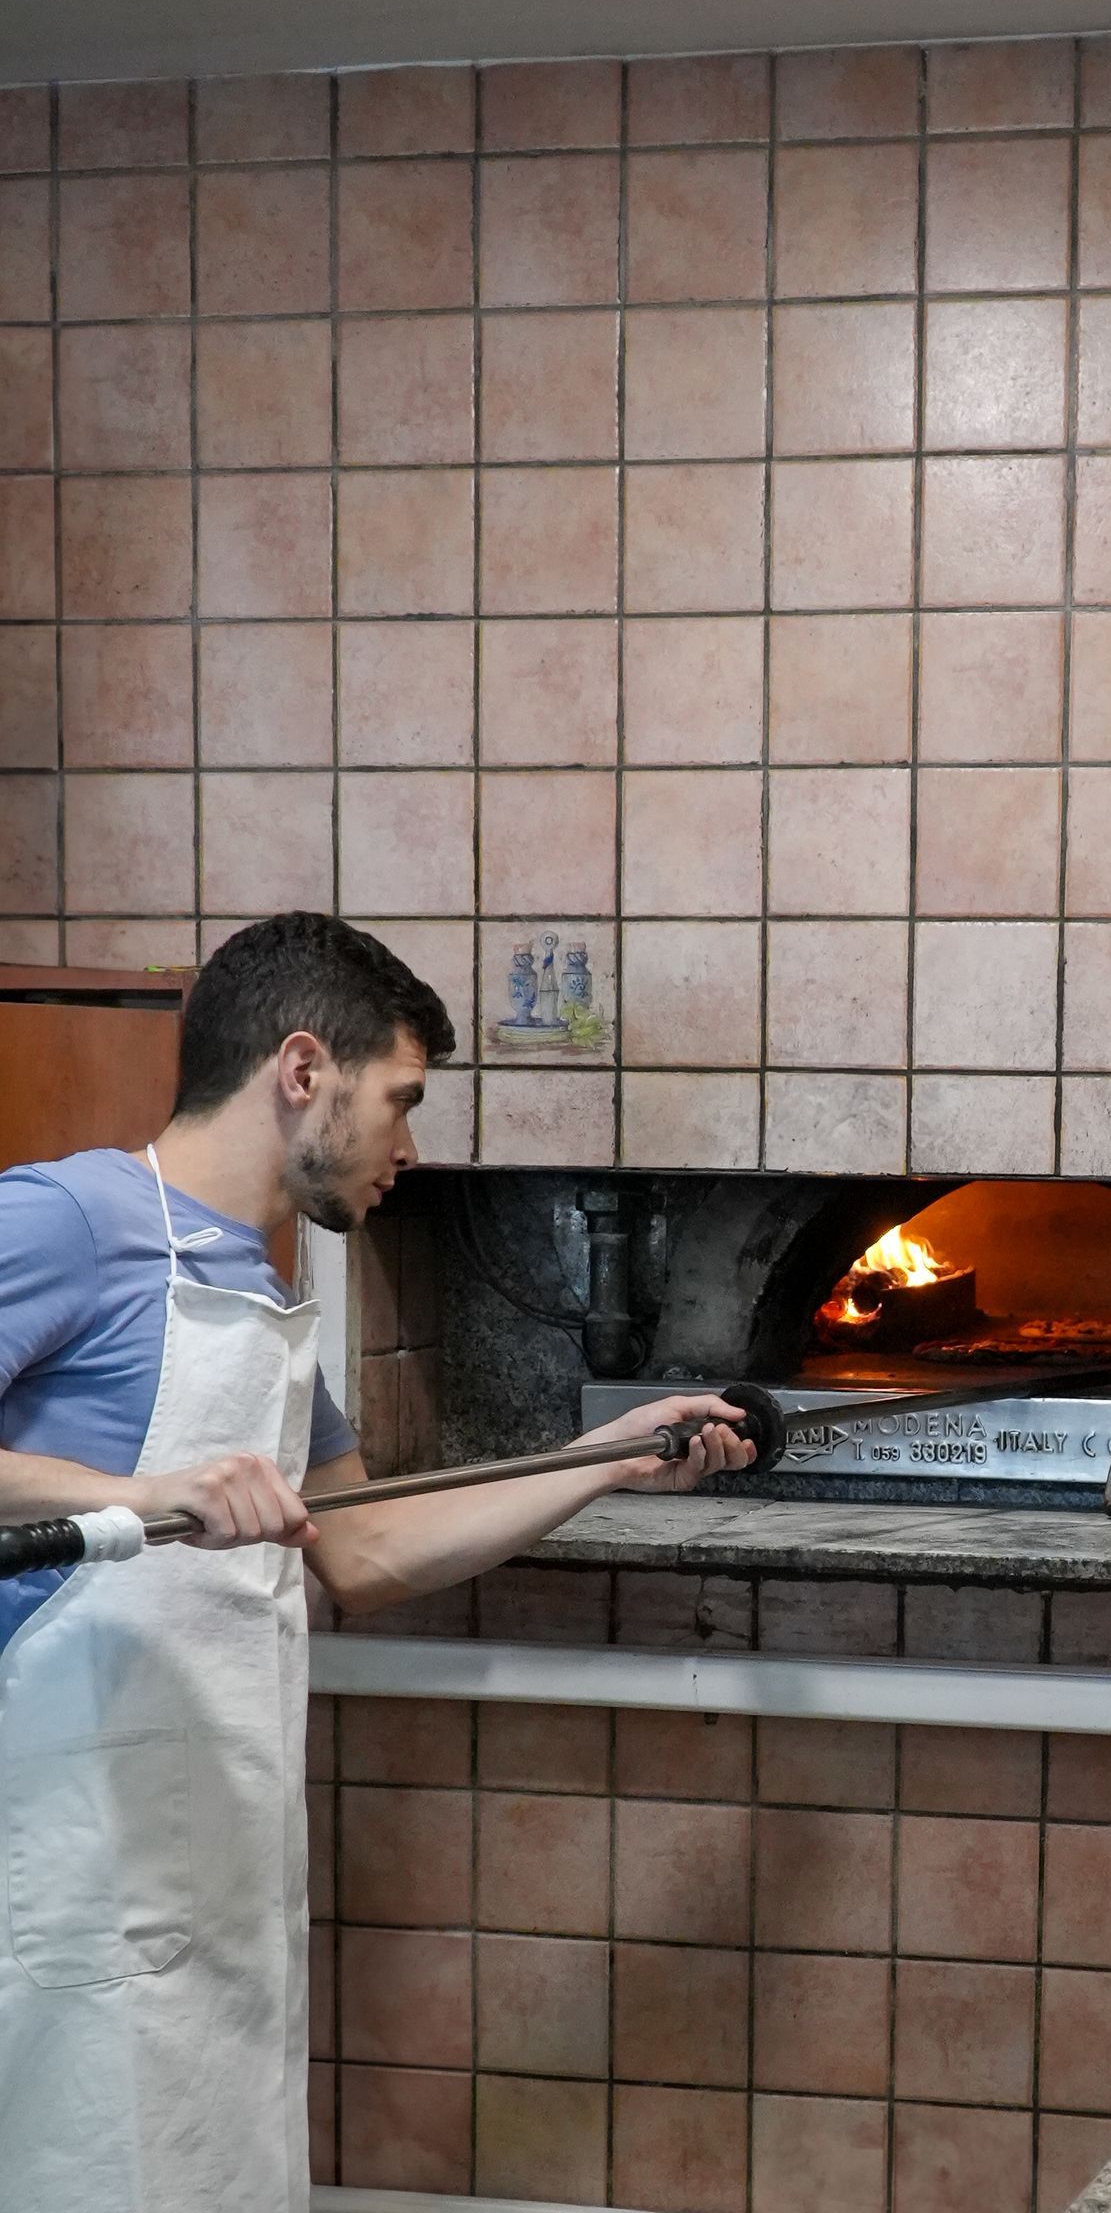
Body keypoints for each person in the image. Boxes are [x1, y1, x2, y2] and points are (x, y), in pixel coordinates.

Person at [0, 911, 754, 2211]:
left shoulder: (264, 1291)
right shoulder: (67, 1219)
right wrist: (140, 1493)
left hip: (218, 1896)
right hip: (60, 1888)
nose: (409, 1148)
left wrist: (601, 1458)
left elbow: (365, 1548)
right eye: (400, 1101)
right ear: (304, 1071)